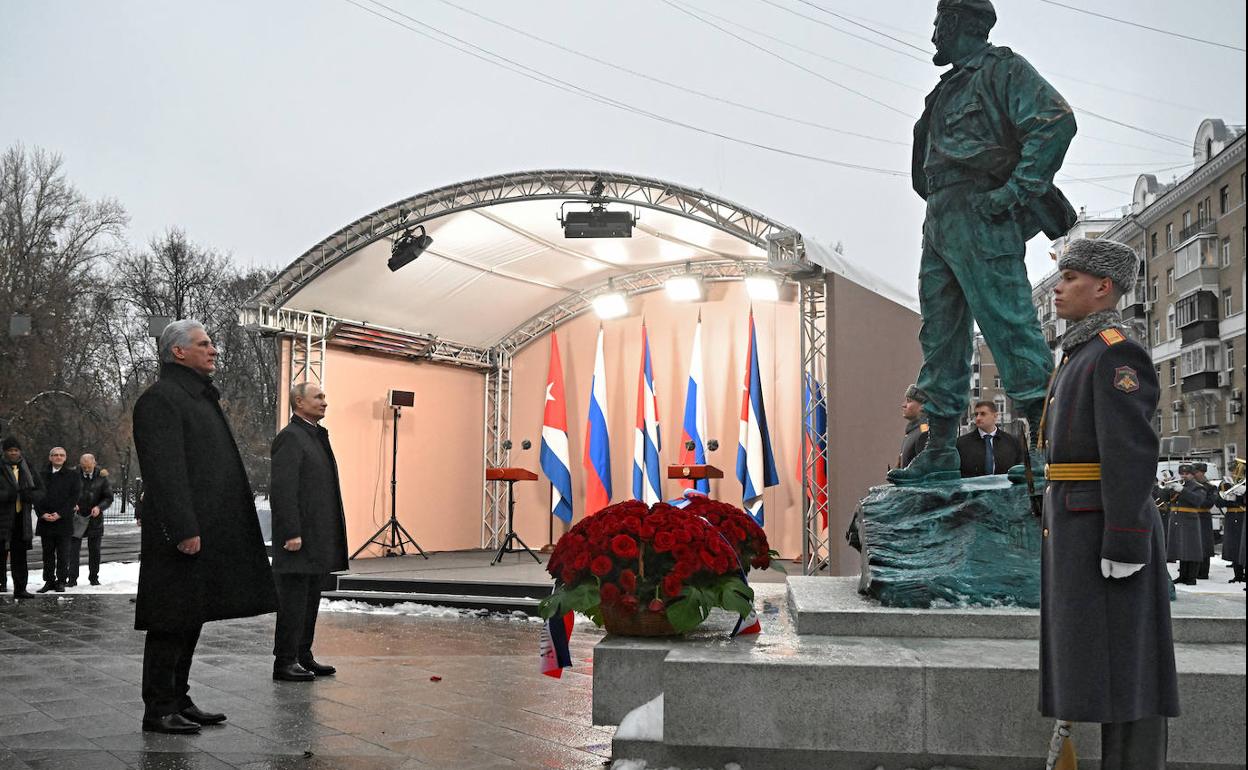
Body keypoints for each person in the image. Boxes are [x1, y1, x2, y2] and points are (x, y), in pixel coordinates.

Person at [888, 0, 1077, 486]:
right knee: (940, 333)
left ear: (956, 24)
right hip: (942, 216)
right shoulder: (945, 89)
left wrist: (1015, 192)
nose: (932, 35)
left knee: (1009, 323)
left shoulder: (1003, 69)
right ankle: (942, 449)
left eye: (937, 24)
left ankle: (1042, 447)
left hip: (981, 211)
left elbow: (1055, 121)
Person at [1038, 238, 1178, 769]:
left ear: (1103, 288)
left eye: (1070, 278)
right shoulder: (1081, 350)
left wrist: (1124, 538)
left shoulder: (1115, 350)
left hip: (1103, 529)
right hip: (1078, 523)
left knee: (1130, 667)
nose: (1058, 287)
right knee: (1098, 664)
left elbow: (1131, 452)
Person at [131, 319, 278, 734]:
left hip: (205, 527)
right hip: (180, 533)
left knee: (190, 615)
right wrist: (183, 528)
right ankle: (158, 707)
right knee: (169, 619)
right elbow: (165, 472)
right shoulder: (161, 399)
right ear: (178, 351)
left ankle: (178, 697)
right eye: (204, 343)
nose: (214, 349)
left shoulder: (195, 397)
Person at [269, 382, 349, 682]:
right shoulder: (290, 438)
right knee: (292, 602)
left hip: (316, 539)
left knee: (310, 598)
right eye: (318, 397)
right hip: (298, 540)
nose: (324, 402)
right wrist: (291, 531)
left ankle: (303, 655)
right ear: (299, 402)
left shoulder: (314, 437)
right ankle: (284, 661)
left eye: (325, 397)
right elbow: (283, 490)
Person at [0, 437, 42, 598]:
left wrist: (29, 495)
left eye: (16, 450)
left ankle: (20, 588)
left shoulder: (27, 467)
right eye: (10, 450)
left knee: (19, 556)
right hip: (3, 518)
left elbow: (40, 490)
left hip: (21, 518)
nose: (13, 453)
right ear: (5, 452)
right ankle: (2, 584)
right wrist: (8, 495)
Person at [35, 447, 81, 593]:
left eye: (61, 455)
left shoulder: (72, 476)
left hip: (63, 521)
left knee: (63, 554)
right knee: (47, 554)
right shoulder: (41, 475)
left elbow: (73, 498)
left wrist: (60, 514)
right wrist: (42, 514)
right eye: (55, 455)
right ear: (50, 457)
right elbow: (35, 497)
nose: (58, 457)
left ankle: (61, 581)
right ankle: (48, 581)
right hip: (45, 521)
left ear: (65, 458)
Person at [70, 453, 113, 587]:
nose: (86, 469)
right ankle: (72, 578)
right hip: (76, 518)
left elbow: (108, 497)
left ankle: (94, 577)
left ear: (94, 464)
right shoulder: (73, 475)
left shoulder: (102, 477)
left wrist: (99, 507)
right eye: (84, 467)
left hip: (95, 518)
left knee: (94, 551)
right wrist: (72, 503)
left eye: (89, 466)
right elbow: (67, 493)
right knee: (73, 550)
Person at [1165, 465, 1210, 585]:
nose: (1184, 476)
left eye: (1187, 473)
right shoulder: (1179, 484)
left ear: (1192, 474)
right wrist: (1167, 488)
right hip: (1177, 519)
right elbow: (1166, 500)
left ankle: (1191, 577)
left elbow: (1198, 501)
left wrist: (1182, 490)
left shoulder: (1198, 487)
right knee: (1181, 548)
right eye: (1182, 473)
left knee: (1192, 549)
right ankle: (1183, 575)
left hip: (1190, 520)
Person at [956, 400, 1023, 477]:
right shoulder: (962, 443)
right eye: (976, 414)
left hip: (1004, 487)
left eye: (983, 414)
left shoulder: (1012, 442)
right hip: (973, 487)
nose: (978, 418)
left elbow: (1019, 468)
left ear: (995, 416)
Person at [1191, 463, 1217, 579]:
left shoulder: (1210, 487)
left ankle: (1203, 572)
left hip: (1203, 516)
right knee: (1192, 543)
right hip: (1191, 516)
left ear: (1202, 472)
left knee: (1204, 544)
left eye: (1195, 472)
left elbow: (1209, 503)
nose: (1194, 475)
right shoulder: (1190, 486)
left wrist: (1193, 499)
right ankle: (1191, 569)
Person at [897, 384, 929, 469]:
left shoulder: (924, 433)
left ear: (922, 405)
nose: (903, 405)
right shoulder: (914, 431)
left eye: (909, 401)